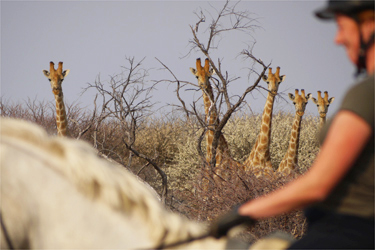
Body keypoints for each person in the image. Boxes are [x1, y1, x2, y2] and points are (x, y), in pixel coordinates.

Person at [209, 1, 374, 249]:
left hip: (346, 229)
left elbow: (318, 185)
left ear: (369, 25)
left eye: (341, 27)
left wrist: (245, 212)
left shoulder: (367, 94)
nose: (337, 40)